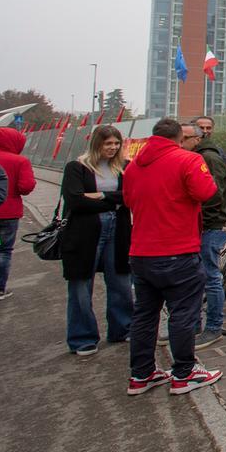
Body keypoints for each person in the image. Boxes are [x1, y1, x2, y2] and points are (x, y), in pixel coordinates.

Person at [122, 118, 220, 395]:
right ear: (179, 138)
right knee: (182, 314)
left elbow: (128, 200)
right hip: (177, 249)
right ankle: (184, 373)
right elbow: (207, 191)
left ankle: (141, 375)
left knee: (144, 315)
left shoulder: (133, 165)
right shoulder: (187, 160)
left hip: (141, 251)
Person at [60, 124, 134, 355]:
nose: (112, 148)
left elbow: (131, 195)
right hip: (84, 231)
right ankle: (83, 338)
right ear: (96, 144)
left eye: (116, 143)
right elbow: (75, 200)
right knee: (81, 284)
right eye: (107, 144)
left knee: (121, 280)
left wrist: (102, 195)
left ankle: (122, 328)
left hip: (119, 228)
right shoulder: (77, 167)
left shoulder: (125, 167)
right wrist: (114, 201)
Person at [189, 121, 226, 348]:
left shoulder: (210, 158)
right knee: (196, 277)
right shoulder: (197, 157)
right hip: (198, 225)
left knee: (210, 276)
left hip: (209, 224)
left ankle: (213, 327)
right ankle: (192, 324)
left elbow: (214, 194)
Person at [0, 126, 36, 300]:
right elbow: (26, 187)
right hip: (8, 214)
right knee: (3, 250)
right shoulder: (20, 161)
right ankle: (0, 288)